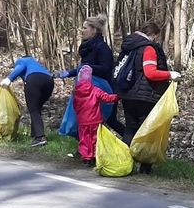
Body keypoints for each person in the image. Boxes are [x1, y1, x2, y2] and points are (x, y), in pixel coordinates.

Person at [114, 21, 180, 174]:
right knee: (146, 131)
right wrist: (170, 74)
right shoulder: (148, 48)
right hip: (145, 97)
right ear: (154, 35)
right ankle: (145, 167)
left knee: (130, 128)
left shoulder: (130, 46)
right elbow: (150, 72)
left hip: (128, 94)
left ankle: (124, 163)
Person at [54, 13, 123, 134]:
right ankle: (85, 143)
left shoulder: (102, 48)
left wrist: (87, 67)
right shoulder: (88, 47)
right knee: (91, 119)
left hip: (104, 90)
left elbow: (105, 68)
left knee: (110, 120)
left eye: (85, 28)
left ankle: (130, 142)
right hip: (89, 90)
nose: (82, 31)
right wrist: (68, 73)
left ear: (94, 30)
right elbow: (84, 69)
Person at [0, 54, 54, 147]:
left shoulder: (23, 60)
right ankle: (35, 135)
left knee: (33, 109)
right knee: (37, 109)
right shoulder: (36, 63)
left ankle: (40, 137)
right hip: (49, 81)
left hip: (34, 80)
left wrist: (9, 79)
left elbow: (20, 67)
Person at [73, 65, 119, 165]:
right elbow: (107, 98)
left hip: (82, 121)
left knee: (84, 139)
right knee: (95, 139)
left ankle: (86, 158)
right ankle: (95, 155)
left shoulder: (76, 92)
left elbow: (75, 106)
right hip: (95, 120)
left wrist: (79, 114)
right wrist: (117, 96)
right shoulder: (95, 90)